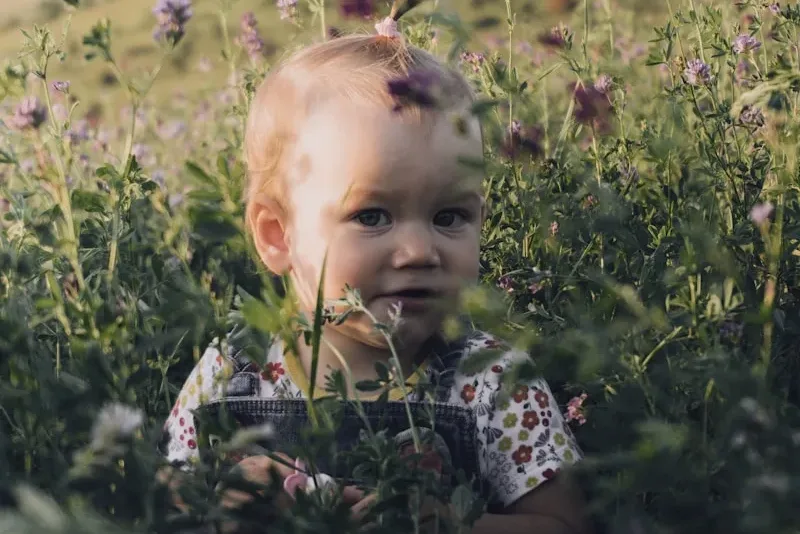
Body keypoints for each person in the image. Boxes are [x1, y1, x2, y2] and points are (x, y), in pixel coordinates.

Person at [159, 2, 590, 533]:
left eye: (449, 216)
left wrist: (453, 526)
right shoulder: (234, 373)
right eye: (371, 215)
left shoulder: (492, 380)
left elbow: (563, 522)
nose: (418, 251)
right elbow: (160, 497)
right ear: (278, 235)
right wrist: (216, 497)